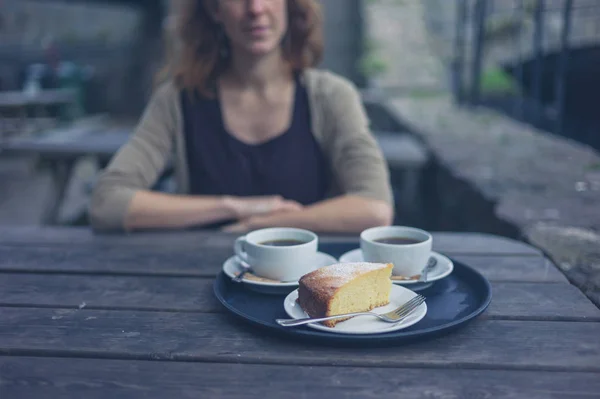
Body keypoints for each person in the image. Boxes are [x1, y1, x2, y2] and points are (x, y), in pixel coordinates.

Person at [89, 0, 393, 234]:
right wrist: (234, 206)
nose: (255, 9)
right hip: (196, 280)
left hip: (302, 286)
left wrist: (265, 225)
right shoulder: (178, 99)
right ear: (214, 9)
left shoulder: (331, 95)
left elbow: (375, 207)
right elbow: (107, 203)